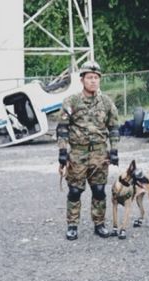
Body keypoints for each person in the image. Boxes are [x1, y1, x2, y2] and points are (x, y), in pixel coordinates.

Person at [56, 60, 120, 241]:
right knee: (75, 190)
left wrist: (114, 150)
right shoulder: (72, 101)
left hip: (99, 152)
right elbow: (62, 128)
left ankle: (99, 223)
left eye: (96, 78)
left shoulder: (107, 102)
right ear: (82, 80)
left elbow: (114, 127)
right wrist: (62, 152)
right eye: (89, 78)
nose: (93, 81)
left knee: (99, 189)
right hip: (78, 152)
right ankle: (72, 225)